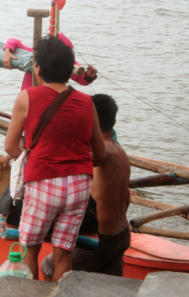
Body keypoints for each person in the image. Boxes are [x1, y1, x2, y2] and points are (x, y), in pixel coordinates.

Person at [3, 35, 106, 282]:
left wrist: (35, 160)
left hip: (43, 183)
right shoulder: (86, 102)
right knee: (63, 256)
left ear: (37, 69)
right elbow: (99, 155)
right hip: (79, 185)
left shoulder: (27, 98)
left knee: (29, 250)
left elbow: (10, 146)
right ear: (70, 71)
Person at [40, 94, 131, 279]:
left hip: (101, 239)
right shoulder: (119, 151)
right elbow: (127, 197)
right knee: (109, 286)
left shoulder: (100, 153)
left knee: (49, 266)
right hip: (122, 233)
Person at [2, 33, 98, 91]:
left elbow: (80, 77)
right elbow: (13, 41)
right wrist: (7, 51)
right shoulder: (36, 54)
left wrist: (89, 76)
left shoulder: (66, 62)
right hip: (28, 99)